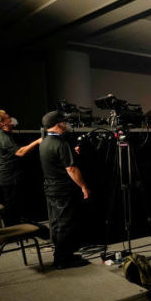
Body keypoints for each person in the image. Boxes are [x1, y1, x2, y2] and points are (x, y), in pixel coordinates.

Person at [39, 110, 90, 269]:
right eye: (63, 122)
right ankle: (62, 260)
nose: (66, 124)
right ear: (57, 125)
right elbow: (71, 169)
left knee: (56, 223)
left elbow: (56, 161)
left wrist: (70, 154)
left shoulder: (45, 142)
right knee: (65, 224)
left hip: (51, 189)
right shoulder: (61, 143)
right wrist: (83, 187)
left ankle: (63, 254)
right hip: (62, 191)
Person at [0, 110, 41, 226]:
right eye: (8, 118)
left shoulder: (8, 135)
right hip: (9, 177)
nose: (11, 119)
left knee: (16, 204)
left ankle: (18, 229)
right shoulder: (3, 136)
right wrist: (37, 141)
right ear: (2, 123)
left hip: (12, 176)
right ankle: (12, 232)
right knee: (12, 206)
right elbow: (20, 152)